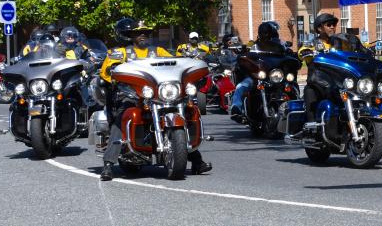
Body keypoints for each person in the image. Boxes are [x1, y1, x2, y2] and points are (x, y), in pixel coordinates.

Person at [98, 17, 212, 181]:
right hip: (131, 94)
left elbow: (176, 62)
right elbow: (107, 72)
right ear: (130, 35)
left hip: (159, 94)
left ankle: (196, 160)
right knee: (122, 118)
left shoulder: (158, 51)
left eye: (145, 33)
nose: (143, 35)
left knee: (187, 111)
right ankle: (108, 165)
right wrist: (113, 69)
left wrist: (190, 60)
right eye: (139, 33)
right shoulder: (120, 53)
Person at [229, 21, 283, 118]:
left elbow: (286, 53)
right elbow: (246, 52)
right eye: (264, 33)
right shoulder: (254, 45)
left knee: (290, 84)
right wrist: (244, 53)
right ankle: (236, 107)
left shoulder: (279, 45)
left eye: (267, 33)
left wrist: (292, 54)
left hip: (273, 75)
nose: (266, 35)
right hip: (257, 76)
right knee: (241, 86)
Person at [302, 13, 339, 123]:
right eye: (329, 25)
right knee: (310, 93)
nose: (332, 27)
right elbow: (302, 50)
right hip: (318, 83)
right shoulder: (312, 43)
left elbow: (351, 49)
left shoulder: (339, 43)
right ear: (319, 28)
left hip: (337, 83)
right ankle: (311, 126)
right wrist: (306, 52)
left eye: (334, 25)